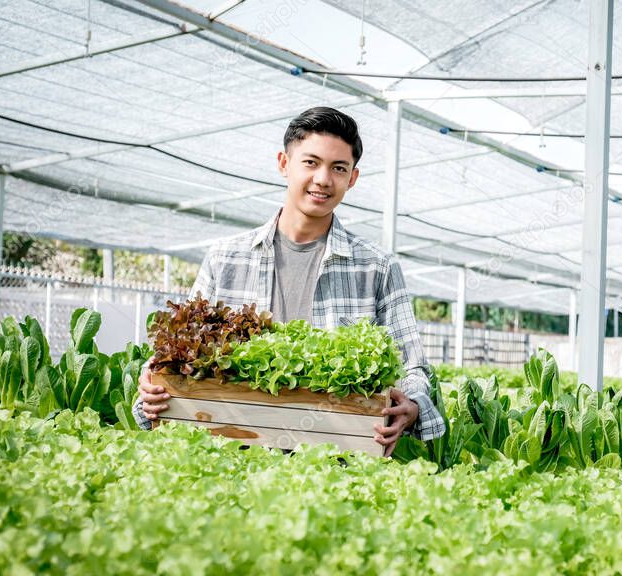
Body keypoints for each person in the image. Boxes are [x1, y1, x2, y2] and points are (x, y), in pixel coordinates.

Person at [134, 107, 444, 454]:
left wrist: (413, 405)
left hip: (336, 458)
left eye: (338, 168)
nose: (324, 179)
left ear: (352, 178)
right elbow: (176, 351)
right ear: (284, 164)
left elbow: (413, 366)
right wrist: (152, 381)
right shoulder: (227, 258)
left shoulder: (377, 267)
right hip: (233, 452)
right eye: (310, 163)